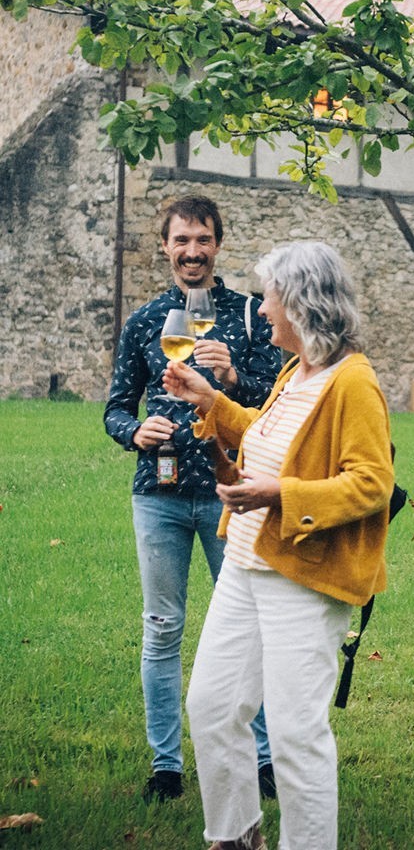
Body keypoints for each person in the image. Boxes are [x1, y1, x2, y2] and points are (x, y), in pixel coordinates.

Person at [162, 240, 394, 850]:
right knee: (212, 708)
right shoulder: (298, 372)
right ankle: (236, 837)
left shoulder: (353, 382)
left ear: (301, 303)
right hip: (245, 565)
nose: (261, 311)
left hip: (304, 576)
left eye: (269, 298)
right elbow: (269, 442)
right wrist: (212, 402)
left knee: (294, 734)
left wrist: (278, 497)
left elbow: (372, 483)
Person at [104, 196, 282, 804]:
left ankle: (261, 760)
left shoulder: (255, 316)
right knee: (161, 628)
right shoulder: (145, 321)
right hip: (159, 492)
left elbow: (274, 404)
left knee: (247, 628)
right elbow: (116, 406)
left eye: (202, 240)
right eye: (181, 241)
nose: (192, 252)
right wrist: (133, 431)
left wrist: (233, 379)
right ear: (166, 248)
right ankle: (166, 766)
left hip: (232, 493)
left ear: (217, 245)